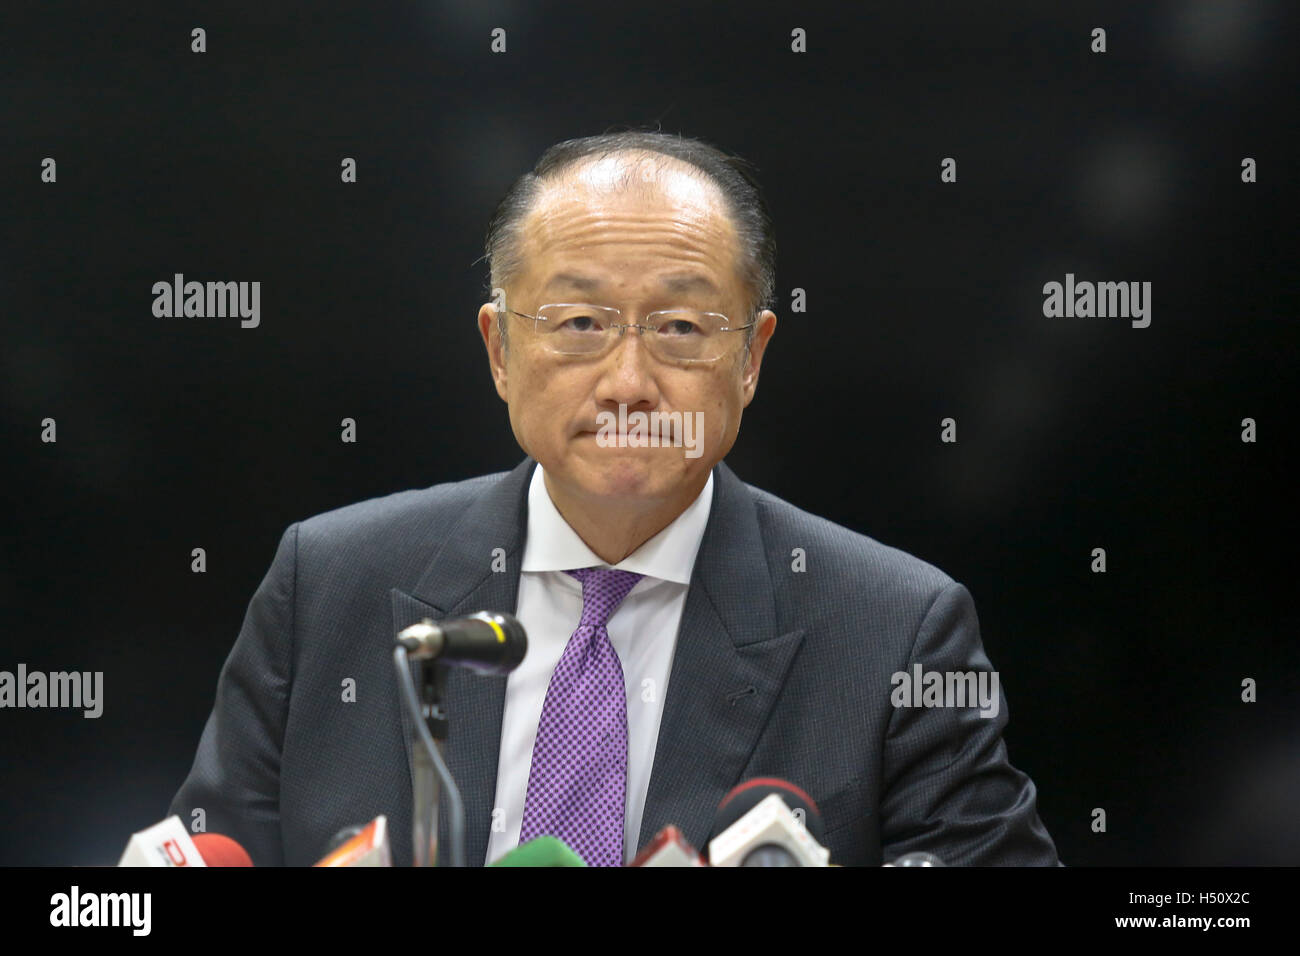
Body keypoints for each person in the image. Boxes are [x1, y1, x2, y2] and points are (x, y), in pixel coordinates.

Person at [168, 130, 1060, 866]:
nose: (628, 383)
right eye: (580, 324)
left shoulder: (895, 628)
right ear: (499, 351)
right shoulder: (328, 584)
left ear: (750, 358)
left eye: (679, 327)